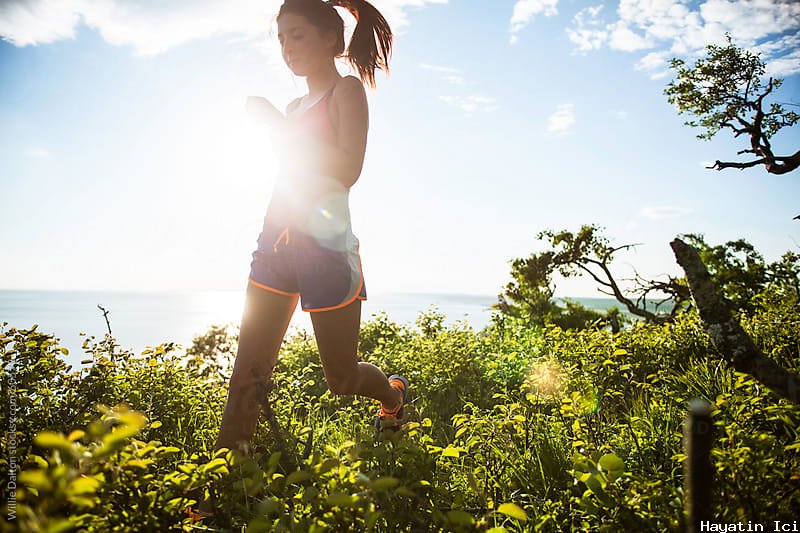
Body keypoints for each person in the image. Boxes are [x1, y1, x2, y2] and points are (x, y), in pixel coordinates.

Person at [213, 0, 409, 458]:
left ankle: (393, 397)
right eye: (281, 38)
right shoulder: (294, 104)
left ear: (330, 40)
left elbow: (346, 170)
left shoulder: (346, 91)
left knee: (340, 380)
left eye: (296, 35)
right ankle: (218, 489)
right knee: (249, 370)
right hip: (275, 243)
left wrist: (279, 127)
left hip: (326, 248)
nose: (286, 48)